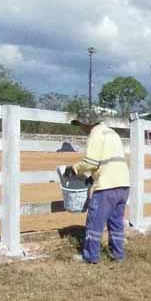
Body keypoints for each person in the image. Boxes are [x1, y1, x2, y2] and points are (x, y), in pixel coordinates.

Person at [65, 109, 130, 264]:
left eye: (80, 124)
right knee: (116, 222)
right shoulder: (112, 133)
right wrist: (92, 177)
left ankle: (91, 256)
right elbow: (108, 159)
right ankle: (117, 254)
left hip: (106, 186)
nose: (81, 128)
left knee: (94, 222)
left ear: (87, 123)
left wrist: (74, 169)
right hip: (123, 184)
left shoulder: (95, 133)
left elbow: (91, 161)